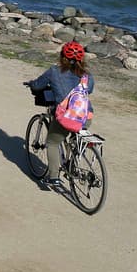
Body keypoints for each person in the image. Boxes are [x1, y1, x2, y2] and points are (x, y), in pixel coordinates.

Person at [29, 41, 95, 188]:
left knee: (52, 143)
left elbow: (38, 85)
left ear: (62, 56)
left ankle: (53, 177)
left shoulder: (54, 71)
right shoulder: (87, 75)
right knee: (74, 139)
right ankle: (74, 164)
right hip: (85, 116)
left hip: (66, 118)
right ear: (82, 59)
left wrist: (31, 84)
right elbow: (89, 90)